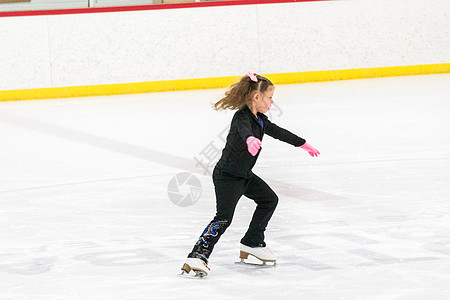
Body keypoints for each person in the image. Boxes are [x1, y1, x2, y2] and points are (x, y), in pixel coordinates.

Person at [180, 72, 320, 277]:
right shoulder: (242, 117)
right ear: (257, 97)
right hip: (227, 177)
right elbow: (244, 130)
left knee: (269, 200)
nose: (272, 102)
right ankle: (197, 255)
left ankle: (252, 242)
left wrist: (303, 144)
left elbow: (279, 132)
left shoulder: (260, 120)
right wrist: (249, 140)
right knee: (223, 218)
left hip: (245, 175)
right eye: (270, 97)